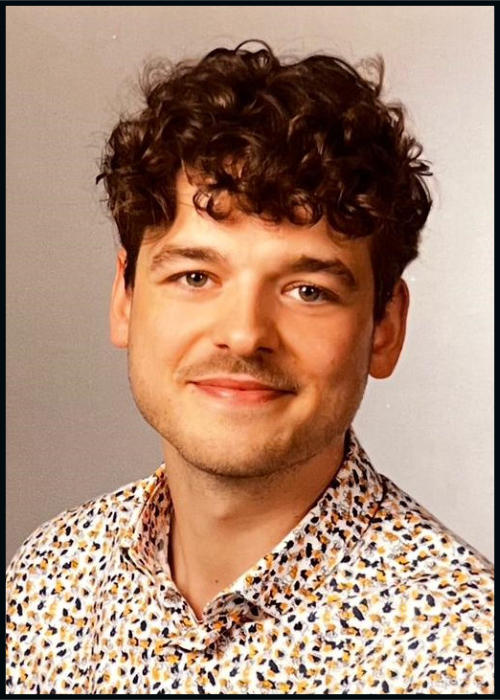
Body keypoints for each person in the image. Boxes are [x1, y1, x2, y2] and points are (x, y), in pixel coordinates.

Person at [6, 41, 493, 695]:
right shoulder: (48, 578)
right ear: (124, 298)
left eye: (308, 290)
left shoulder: (461, 656)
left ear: (385, 328)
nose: (243, 333)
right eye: (195, 276)